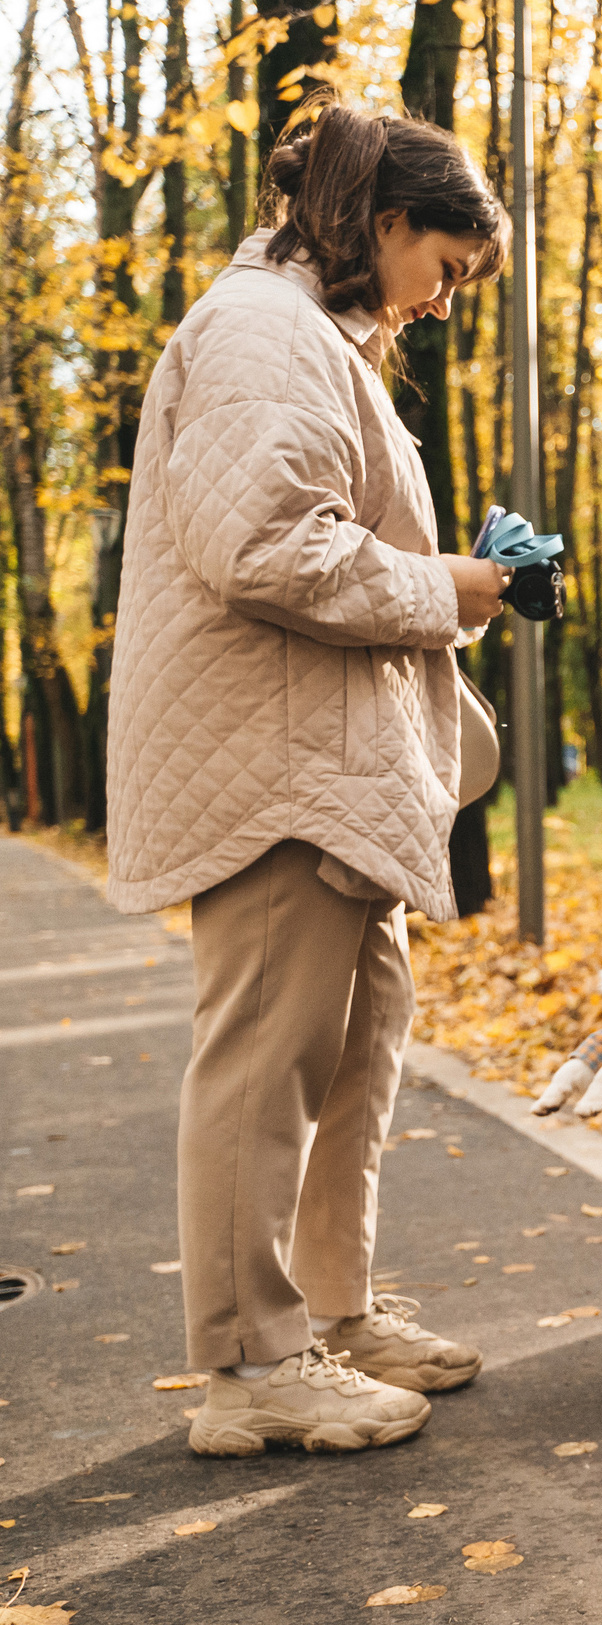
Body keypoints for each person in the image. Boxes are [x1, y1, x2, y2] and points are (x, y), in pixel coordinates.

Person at [105, 99, 512, 1456]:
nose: (448, 300)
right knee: (268, 1057)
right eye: (446, 267)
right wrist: (448, 587)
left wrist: (455, 595)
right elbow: (267, 544)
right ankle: (249, 1360)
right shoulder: (264, 330)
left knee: (357, 1047)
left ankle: (328, 1310)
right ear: (386, 223)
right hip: (274, 763)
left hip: (340, 766)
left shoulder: (321, 336)